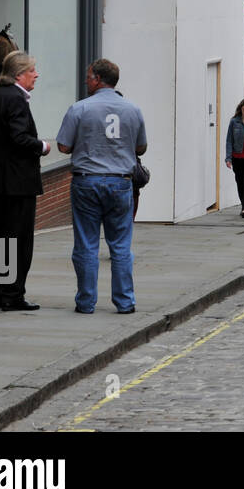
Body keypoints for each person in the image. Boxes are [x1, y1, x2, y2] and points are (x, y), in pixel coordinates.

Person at [56, 59, 148, 314]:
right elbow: (141, 147)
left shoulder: (79, 108)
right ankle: (125, 302)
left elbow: (63, 146)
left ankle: (86, 302)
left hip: (87, 180)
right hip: (120, 182)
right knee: (120, 245)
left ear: (97, 79)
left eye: (88, 77)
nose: (86, 81)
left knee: (86, 243)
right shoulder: (133, 109)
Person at [0, 51, 51, 311]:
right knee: (18, 240)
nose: (36, 74)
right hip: (17, 183)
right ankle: (12, 294)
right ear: (19, 74)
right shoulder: (17, 101)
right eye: (33, 70)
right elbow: (19, 139)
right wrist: (42, 146)